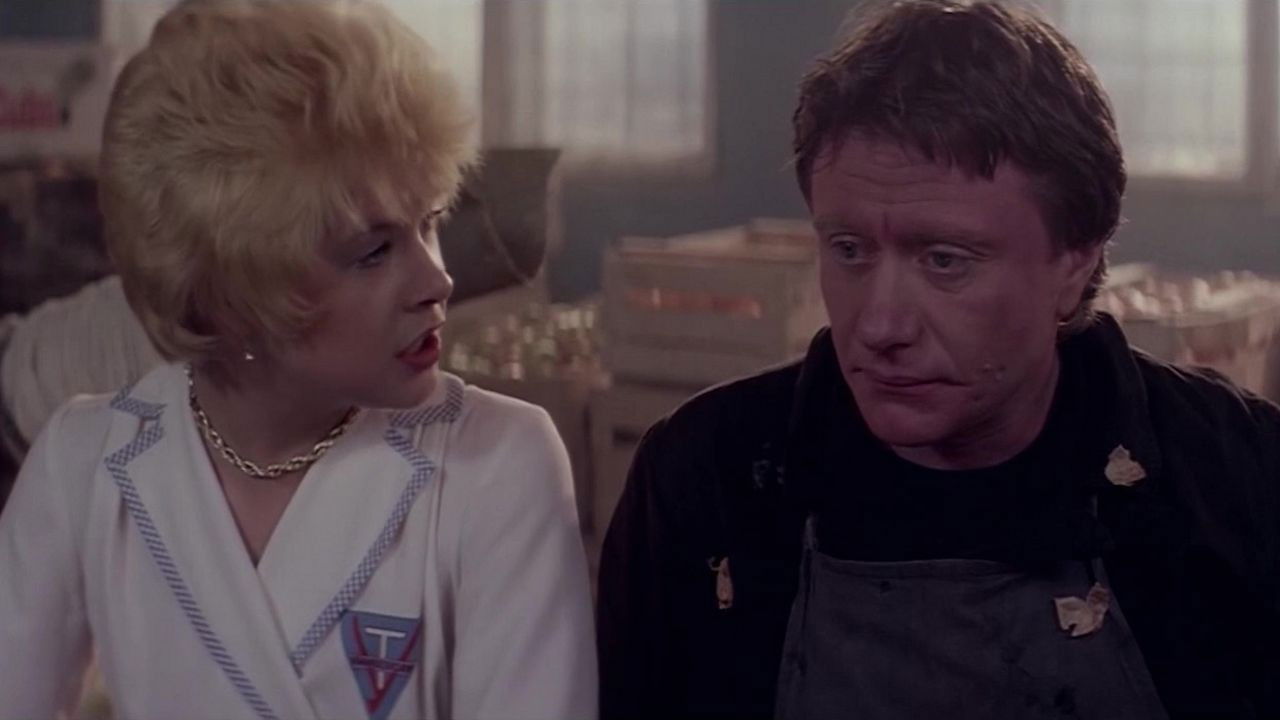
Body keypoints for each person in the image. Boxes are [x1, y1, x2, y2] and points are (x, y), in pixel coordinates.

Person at [596, 1, 1280, 718]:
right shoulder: (707, 482)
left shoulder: (1236, 480)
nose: (880, 325)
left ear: (1075, 261)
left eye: (945, 260)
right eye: (849, 250)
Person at [0, 1, 597, 718]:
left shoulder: (501, 461)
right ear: (236, 294)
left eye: (430, 222)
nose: (438, 280)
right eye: (373, 252)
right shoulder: (82, 465)